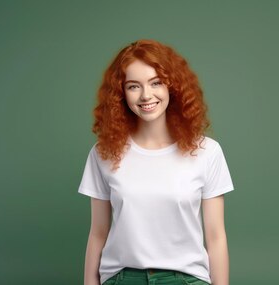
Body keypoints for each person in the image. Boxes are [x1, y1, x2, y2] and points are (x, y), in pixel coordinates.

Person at [77, 39, 235, 285]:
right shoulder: (103, 153)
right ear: (121, 94)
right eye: (133, 86)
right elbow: (97, 233)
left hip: (185, 279)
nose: (146, 95)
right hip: (122, 278)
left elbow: (216, 237)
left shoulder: (207, 152)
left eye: (156, 83)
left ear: (172, 87)